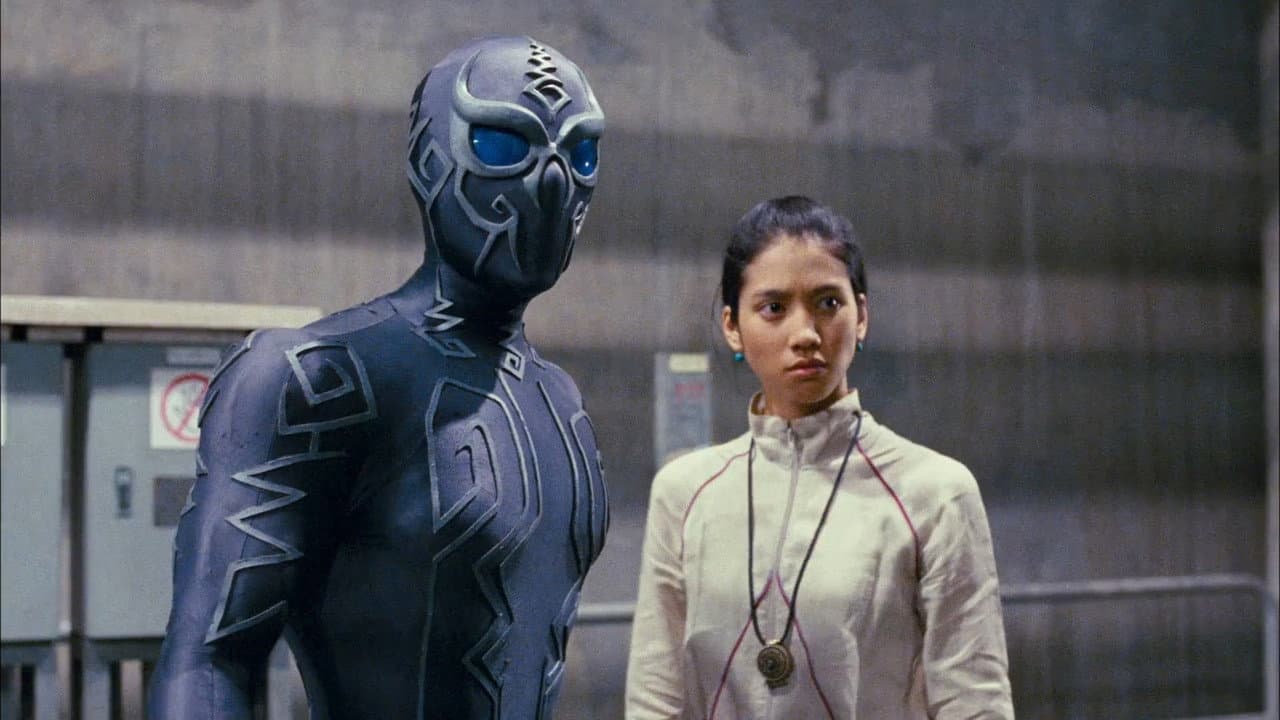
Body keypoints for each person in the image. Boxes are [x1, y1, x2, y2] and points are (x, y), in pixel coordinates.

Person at [148, 36, 608, 719]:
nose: (551, 182)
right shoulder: (313, 376)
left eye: (581, 153)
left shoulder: (559, 401)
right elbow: (209, 661)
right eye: (503, 145)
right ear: (428, 161)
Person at [625, 196, 1013, 718]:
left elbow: (975, 702)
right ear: (732, 326)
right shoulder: (685, 493)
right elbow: (656, 700)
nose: (805, 334)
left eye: (828, 303)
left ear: (862, 316)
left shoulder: (934, 492)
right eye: (773, 308)